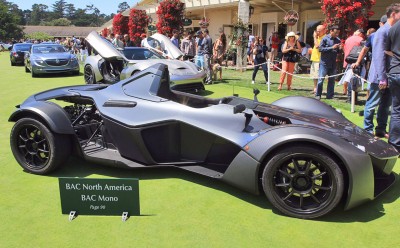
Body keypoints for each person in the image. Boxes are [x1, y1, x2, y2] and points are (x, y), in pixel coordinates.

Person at [364, 4, 400, 138]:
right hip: (379, 77)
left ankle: (380, 129)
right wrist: (382, 78)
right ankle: (367, 131)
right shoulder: (382, 32)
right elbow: (378, 56)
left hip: (389, 75)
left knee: (385, 105)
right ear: (393, 14)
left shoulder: (392, 30)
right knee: (372, 104)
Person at [386, 4, 400, 151]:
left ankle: (395, 144)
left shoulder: (393, 28)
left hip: (395, 71)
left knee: (396, 110)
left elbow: (388, 50)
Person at [315, 25, 343, 100]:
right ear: (331, 31)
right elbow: (320, 49)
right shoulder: (325, 39)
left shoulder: (338, 40)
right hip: (324, 63)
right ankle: (318, 94)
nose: (337, 34)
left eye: (338, 33)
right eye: (336, 32)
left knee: (332, 80)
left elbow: (338, 52)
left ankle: (330, 95)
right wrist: (331, 47)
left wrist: (340, 49)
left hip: (333, 63)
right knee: (321, 80)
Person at [341, 29, 365, 100]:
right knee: (354, 79)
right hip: (356, 61)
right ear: (361, 34)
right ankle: (352, 98)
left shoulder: (348, 39)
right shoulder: (361, 40)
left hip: (348, 60)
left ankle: (349, 95)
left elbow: (345, 50)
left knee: (348, 78)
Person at [309, 25, 326, 93]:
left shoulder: (324, 38)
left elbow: (317, 46)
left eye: (319, 31)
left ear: (324, 31)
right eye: (317, 31)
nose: (317, 32)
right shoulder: (318, 37)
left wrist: (314, 37)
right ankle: (315, 88)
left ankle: (318, 90)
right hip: (314, 59)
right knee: (314, 75)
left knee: (318, 75)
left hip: (319, 60)